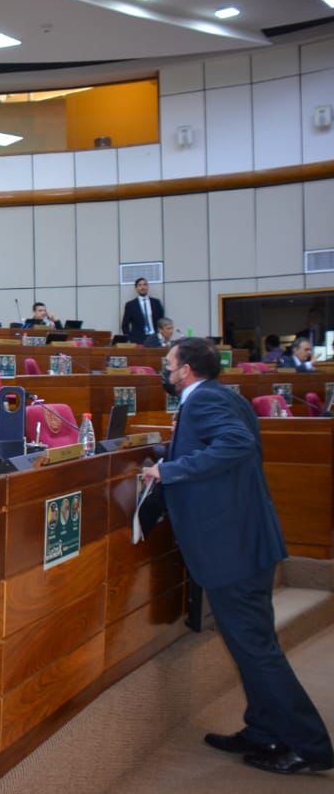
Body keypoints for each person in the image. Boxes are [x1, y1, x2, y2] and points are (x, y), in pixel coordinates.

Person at [141, 338, 332, 776]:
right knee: (252, 646)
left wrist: (170, 470)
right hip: (248, 541)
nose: (165, 372)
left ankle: (310, 745)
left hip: (233, 548)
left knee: (256, 649)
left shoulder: (205, 401)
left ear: (186, 369)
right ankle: (263, 729)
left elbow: (235, 444)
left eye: (168, 365)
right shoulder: (225, 396)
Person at [122, 277, 164, 344]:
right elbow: (125, 325)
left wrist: (161, 335)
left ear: (147, 287)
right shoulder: (130, 305)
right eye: (140, 285)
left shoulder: (156, 303)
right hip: (137, 340)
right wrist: (130, 338)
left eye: (145, 284)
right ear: (136, 288)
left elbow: (162, 321)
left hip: (155, 337)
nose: (142, 287)